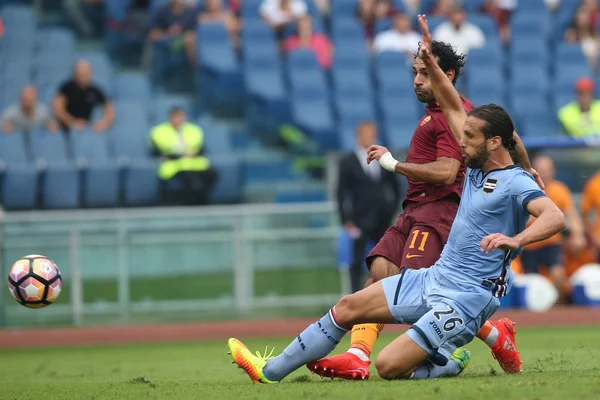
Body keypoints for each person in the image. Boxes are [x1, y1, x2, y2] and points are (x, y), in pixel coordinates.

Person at [227, 14, 565, 384]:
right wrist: (431, 60)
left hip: (467, 297)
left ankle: (449, 360)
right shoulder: (479, 164)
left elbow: (554, 217)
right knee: (348, 305)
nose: (460, 141)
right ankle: (269, 372)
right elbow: (454, 106)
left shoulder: (515, 182)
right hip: (436, 278)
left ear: (494, 142)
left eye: (468, 137)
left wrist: (516, 239)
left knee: (389, 367)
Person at [307, 18, 543, 380]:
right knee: (380, 273)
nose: (416, 80)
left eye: (424, 72)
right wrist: (528, 169)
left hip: (440, 212)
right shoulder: (434, 114)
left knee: (413, 287)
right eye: (415, 73)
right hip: (415, 210)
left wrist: (395, 164)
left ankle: (482, 340)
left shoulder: (458, 118)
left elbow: (450, 171)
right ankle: (359, 353)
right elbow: (512, 138)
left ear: (444, 74)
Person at [337, 121, 401, 293]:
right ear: (357, 136)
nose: (369, 138)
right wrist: (346, 219)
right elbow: (341, 192)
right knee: (357, 261)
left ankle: (385, 295)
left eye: (372, 134)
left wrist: (391, 209)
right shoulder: (348, 161)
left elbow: (395, 187)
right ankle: (355, 296)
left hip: (382, 218)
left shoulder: (384, 158)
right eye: (365, 134)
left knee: (385, 258)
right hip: (359, 219)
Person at [520, 155, 586, 303]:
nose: (543, 173)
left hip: (551, 242)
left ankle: (567, 307)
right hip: (528, 243)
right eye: (540, 169)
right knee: (532, 282)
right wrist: (545, 218)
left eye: (546, 169)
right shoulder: (524, 188)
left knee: (558, 275)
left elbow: (572, 215)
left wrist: (578, 234)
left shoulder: (559, 189)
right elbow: (521, 218)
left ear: (553, 170)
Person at [149, 107, 217, 205]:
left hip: (195, 163)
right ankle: (190, 203)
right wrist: (182, 153)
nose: (179, 119)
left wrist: (191, 153)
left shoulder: (193, 130)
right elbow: (161, 150)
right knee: (191, 180)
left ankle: (203, 201)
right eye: (176, 117)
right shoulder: (159, 131)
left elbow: (200, 148)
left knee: (212, 174)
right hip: (174, 165)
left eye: (181, 116)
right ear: (171, 118)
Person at [53, 60, 115, 133]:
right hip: (66, 127)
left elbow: (109, 109)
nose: (83, 76)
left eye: (86, 73)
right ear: (74, 73)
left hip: (87, 128)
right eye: (80, 73)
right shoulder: (66, 88)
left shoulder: (95, 90)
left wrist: (104, 122)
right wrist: (73, 122)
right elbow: (57, 109)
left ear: (91, 73)